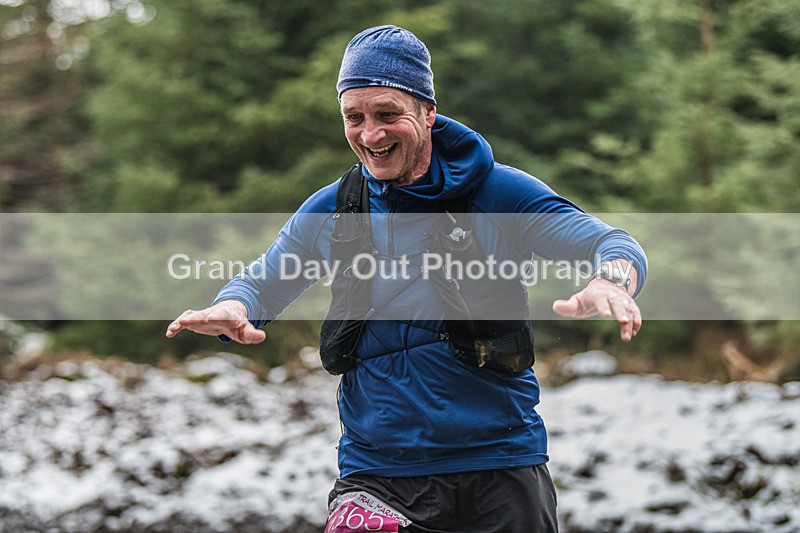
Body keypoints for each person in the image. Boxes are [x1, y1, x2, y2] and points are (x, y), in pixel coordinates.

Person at [166, 25, 646, 533]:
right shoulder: (334, 207)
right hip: (378, 474)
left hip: (500, 465)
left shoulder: (499, 194)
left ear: (428, 112)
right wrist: (234, 307)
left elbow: (611, 245)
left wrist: (612, 282)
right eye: (354, 118)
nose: (370, 135)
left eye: (387, 115)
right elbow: (263, 281)